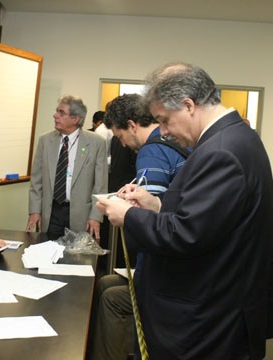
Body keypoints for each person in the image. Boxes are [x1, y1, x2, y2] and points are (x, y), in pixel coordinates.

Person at [97, 62, 273, 359]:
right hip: (214, 309)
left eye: (164, 120)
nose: (163, 132)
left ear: (188, 105)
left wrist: (127, 215)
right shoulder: (233, 139)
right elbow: (211, 218)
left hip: (206, 322)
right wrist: (157, 204)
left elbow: (187, 235)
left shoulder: (221, 151)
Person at [91, 93, 189, 360]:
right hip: (183, 262)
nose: (123, 144)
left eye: (121, 136)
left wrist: (121, 211)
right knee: (108, 284)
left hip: (167, 269)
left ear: (132, 125)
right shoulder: (173, 142)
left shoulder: (151, 150)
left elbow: (149, 221)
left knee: (111, 295)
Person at [26, 95, 107, 240]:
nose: (55, 115)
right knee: (47, 256)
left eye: (61, 113)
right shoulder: (45, 141)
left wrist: (96, 216)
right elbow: (36, 181)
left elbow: (100, 186)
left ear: (76, 119)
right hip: (51, 213)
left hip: (81, 215)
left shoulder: (96, 143)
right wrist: (35, 211)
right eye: (57, 111)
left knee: (78, 260)